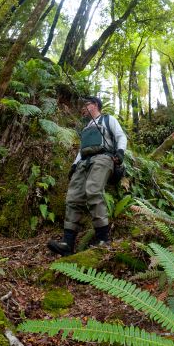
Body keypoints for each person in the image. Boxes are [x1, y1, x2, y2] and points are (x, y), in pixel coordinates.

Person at [48, 96, 127, 256]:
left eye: (86, 104)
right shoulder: (86, 128)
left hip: (104, 158)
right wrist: (74, 165)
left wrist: (120, 152)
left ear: (95, 105)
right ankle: (67, 243)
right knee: (73, 197)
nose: (83, 108)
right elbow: (81, 150)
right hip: (84, 161)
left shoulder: (107, 119)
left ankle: (103, 238)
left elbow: (121, 136)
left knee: (93, 190)